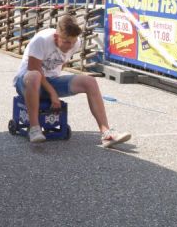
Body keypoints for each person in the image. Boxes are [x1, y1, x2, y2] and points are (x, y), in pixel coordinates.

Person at [14, 14, 130, 147]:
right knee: (34, 76)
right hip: (26, 82)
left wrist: (55, 84)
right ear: (56, 37)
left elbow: (61, 63)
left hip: (50, 80)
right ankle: (34, 129)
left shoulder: (76, 43)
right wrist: (52, 93)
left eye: (73, 42)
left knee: (90, 82)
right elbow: (34, 69)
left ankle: (106, 133)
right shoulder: (41, 40)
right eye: (66, 42)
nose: (70, 46)